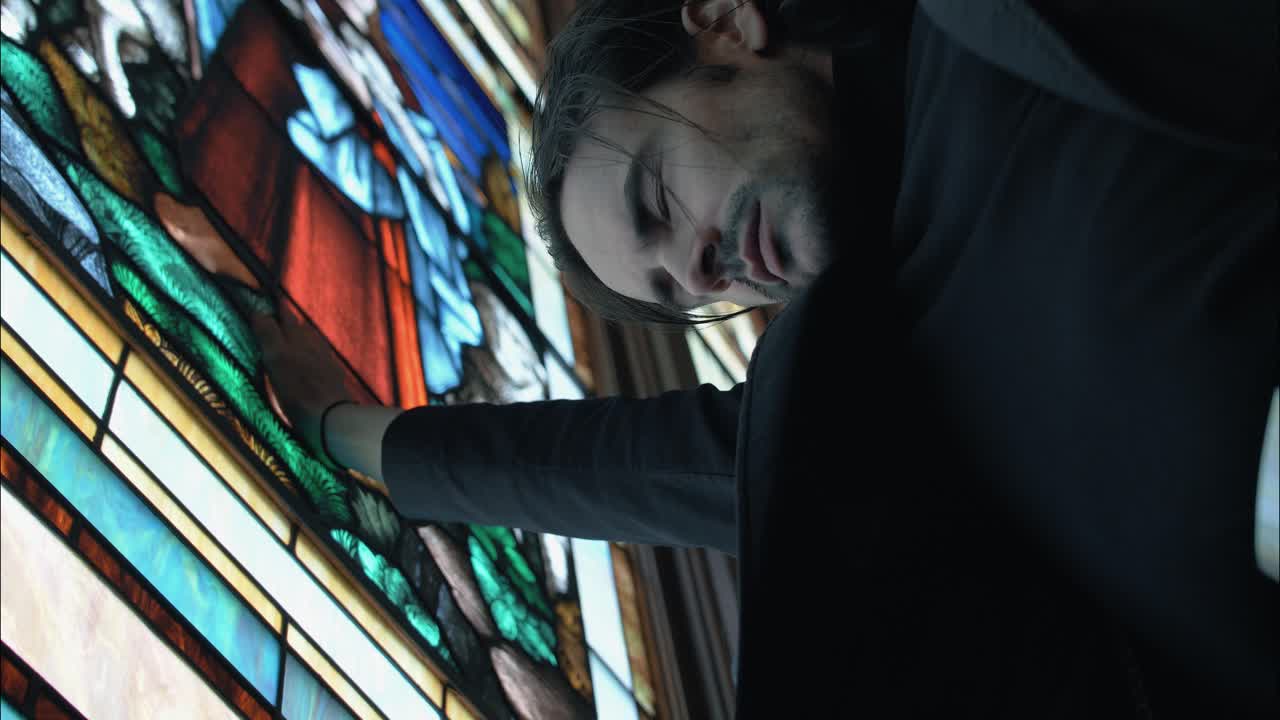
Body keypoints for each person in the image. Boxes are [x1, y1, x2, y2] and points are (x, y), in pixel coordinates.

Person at [253, 0, 1279, 715]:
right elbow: (617, 464)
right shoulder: (877, 405)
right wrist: (352, 432)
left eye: (657, 202)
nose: (704, 270)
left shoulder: (989, 33)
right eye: (677, 292)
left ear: (724, 24)